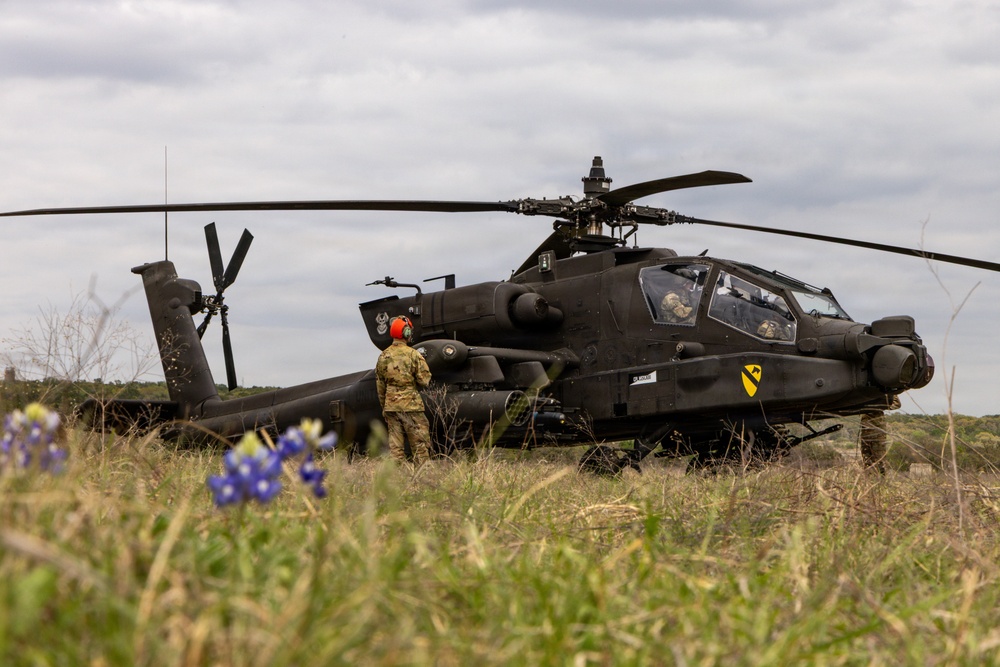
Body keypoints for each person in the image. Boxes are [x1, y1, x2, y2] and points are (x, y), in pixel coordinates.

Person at [375, 316, 433, 465]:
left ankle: (397, 480)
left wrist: (385, 407)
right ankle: (423, 478)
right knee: (419, 445)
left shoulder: (383, 356)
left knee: (396, 449)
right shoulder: (414, 354)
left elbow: (380, 387)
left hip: (391, 407)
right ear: (406, 333)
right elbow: (424, 380)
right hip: (411, 406)